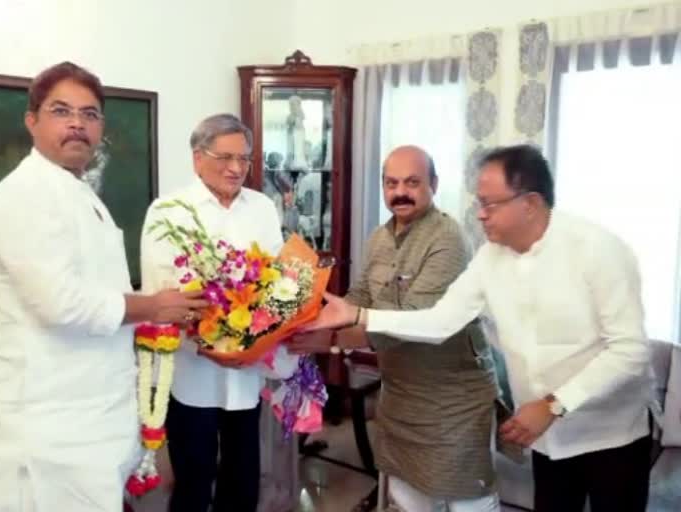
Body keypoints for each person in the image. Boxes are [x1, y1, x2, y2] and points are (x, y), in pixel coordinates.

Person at [303, 144, 655, 512]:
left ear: (529, 203)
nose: (480, 216)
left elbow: (630, 351)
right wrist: (360, 316)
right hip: (546, 436)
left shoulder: (598, 250)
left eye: (490, 205)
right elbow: (440, 320)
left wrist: (555, 404)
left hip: (609, 433)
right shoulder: (490, 257)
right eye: (479, 204)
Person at [0, 61, 207, 512]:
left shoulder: (75, 191)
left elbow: (97, 293)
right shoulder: (26, 193)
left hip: (88, 425)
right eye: (62, 111)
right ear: (32, 120)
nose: (78, 123)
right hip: (46, 435)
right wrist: (153, 307)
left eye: (90, 114)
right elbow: (61, 304)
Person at [289, 146, 500, 512]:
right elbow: (359, 299)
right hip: (401, 395)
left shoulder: (446, 238)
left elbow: (414, 318)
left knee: (467, 500)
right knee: (406, 497)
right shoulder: (379, 238)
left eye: (412, 182)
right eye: (391, 183)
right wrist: (304, 322)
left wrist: (330, 337)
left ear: (433, 184)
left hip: (452, 402)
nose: (400, 191)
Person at [141, 114, 289, 512]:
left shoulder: (261, 207)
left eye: (244, 158)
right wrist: (213, 326)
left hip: (246, 371)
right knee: (193, 478)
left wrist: (259, 330)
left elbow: (278, 280)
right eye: (225, 157)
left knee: (242, 478)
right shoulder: (168, 211)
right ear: (197, 158)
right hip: (192, 371)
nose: (236, 168)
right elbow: (161, 293)